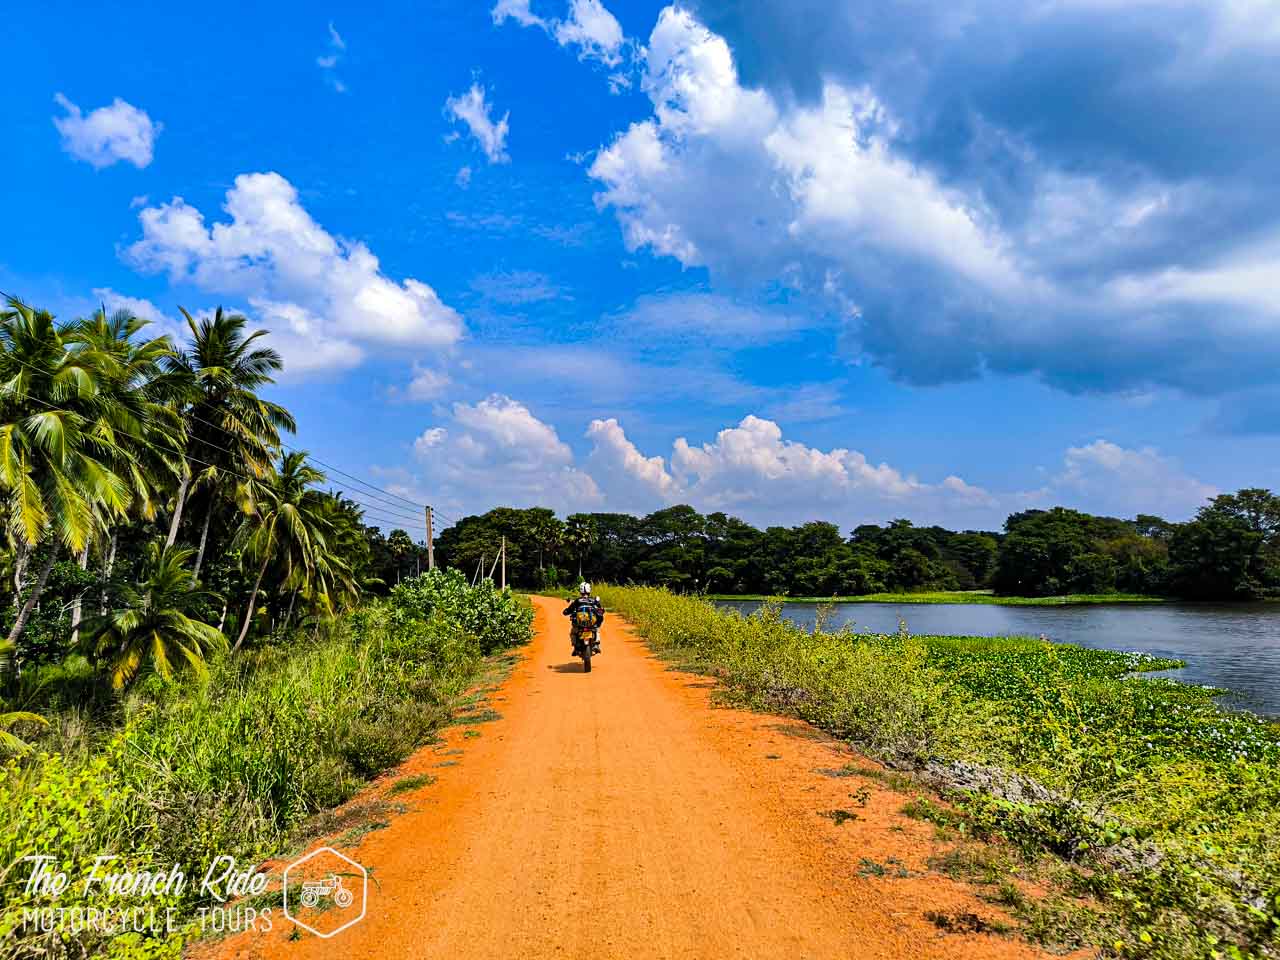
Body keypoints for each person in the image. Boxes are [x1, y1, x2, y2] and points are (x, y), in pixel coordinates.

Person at [563, 582, 604, 656]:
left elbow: (569, 610)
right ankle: (596, 644)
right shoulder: (593, 600)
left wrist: (566, 612)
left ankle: (575, 648)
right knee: (597, 629)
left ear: (581, 591)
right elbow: (600, 609)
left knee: (573, 632)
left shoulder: (577, 600)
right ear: (589, 590)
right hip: (591, 623)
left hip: (580, 625)